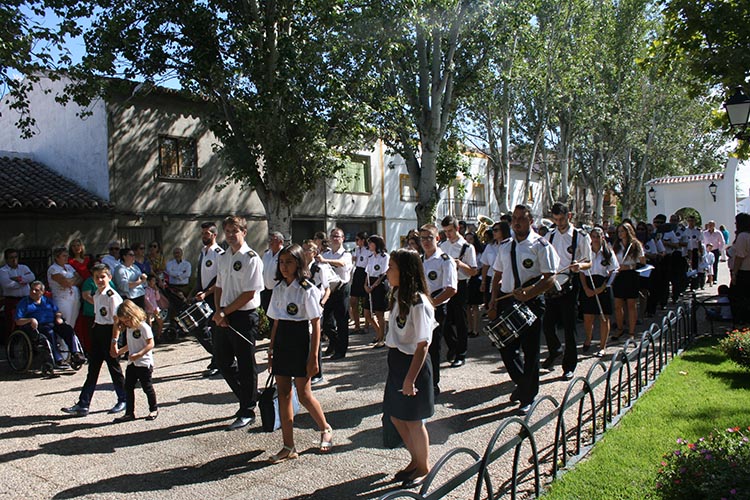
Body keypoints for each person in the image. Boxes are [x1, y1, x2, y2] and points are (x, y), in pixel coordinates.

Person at [266, 244, 333, 463]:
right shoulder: (278, 288)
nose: (284, 267)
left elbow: (315, 324)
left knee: (303, 394)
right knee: (283, 394)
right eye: (281, 262)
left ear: (298, 263)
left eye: (289, 262)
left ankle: (325, 427)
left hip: (302, 340)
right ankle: (288, 445)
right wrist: (271, 348)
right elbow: (276, 321)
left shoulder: (307, 288)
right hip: (283, 340)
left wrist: (314, 357)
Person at [489, 205, 558, 414]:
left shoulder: (540, 245)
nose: (517, 222)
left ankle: (528, 396)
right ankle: (523, 383)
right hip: (508, 300)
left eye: (522, 218)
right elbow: (497, 275)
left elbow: (550, 277)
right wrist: (493, 299)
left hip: (532, 303)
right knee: (505, 347)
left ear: (530, 221)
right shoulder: (505, 246)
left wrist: (530, 293)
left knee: (530, 351)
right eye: (514, 219)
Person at [383, 248, 436, 487]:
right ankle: (415, 459)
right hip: (397, 360)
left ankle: (424, 467)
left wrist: (410, 379)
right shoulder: (397, 296)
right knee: (396, 416)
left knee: (414, 420)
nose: (387, 272)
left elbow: (423, 345)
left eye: (391, 267)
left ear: (404, 271)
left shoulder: (419, 302)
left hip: (413, 364)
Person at [212, 215, 264, 430]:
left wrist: (225, 312)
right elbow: (219, 286)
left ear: (244, 232)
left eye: (235, 231)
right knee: (223, 362)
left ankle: (247, 409)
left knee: (245, 364)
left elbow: (249, 293)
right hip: (223, 314)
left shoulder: (251, 258)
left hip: (243, 316)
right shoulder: (223, 257)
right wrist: (218, 312)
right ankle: (248, 396)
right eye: (228, 231)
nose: (231, 235)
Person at [62, 264, 126, 416]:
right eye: (97, 277)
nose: (100, 280)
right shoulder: (97, 294)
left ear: (109, 277)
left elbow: (117, 321)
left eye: (103, 276)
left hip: (110, 332)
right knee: (92, 370)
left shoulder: (112, 296)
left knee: (114, 368)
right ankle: (83, 404)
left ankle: (124, 399)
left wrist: (114, 342)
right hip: (98, 330)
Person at [542, 202, 592, 380]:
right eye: (556, 220)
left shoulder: (580, 236)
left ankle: (569, 365)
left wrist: (580, 265)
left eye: (562, 219)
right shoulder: (550, 235)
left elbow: (589, 262)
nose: (559, 223)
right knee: (547, 324)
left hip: (570, 284)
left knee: (569, 327)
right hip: (552, 284)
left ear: (569, 216)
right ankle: (555, 350)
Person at [419, 223, 457, 396]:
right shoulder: (419, 260)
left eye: (429, 238)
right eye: (422, 238)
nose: (426, 242)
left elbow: (450, 289)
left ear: (437, 239)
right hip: (419, 309)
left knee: (433, 347)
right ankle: (422, 381)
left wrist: (431, 303)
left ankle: (433, 384)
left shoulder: (445, 260)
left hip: (437, 308)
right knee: (419, 346)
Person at [16, 281, 85, 369]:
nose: (33, 292)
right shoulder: (24, 302)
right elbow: (18, 320)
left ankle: (76, 354)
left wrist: (58, 317)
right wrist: (30, 320)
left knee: (68, 329)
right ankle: (58, 358)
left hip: (52, 323)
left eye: (36, 290)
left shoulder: (47, 301)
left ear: (42, 292)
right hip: (37, 327)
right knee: (49, 332)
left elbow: (57, 311)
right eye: (32, 289)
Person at [439, 215, 478, 368]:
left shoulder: (467, 247)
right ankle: (453, 346)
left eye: (450, 230)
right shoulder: (443, 245)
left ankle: (461, 353)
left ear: (457, 228)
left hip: (460, 284)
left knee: (460, 321)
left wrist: (460, 264)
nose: (447, 234)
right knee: (443, 320)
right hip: (445, 284)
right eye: (445, 231)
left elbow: (473, 272)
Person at [112, 300, 158, 422]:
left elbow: (150, 343)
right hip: (132, 362)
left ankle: (153, 409)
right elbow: (131, 344)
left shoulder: (143, 327)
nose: (126, 323)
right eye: (124, 321)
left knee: (146, 387)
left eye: (127, 320)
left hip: (144, 362)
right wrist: (121, 351)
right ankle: (129, 413)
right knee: (128, 387)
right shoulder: (129, 329)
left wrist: (139, 354)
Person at [191, 221, 225, 377]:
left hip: (214, 297)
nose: (204, 236)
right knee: (199, 328)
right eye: (202, 233)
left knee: (213, 330)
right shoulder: (203, 251)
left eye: (207, 233)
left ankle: (219, 360)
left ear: (214, 235)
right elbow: (201, 275)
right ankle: (219, 357)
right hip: (202, 296)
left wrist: (207, 293)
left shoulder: (218, 253)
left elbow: (220, 278)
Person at [579, 227, 619, 357]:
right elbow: (581, 272)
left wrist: (604, 286)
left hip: (603, 286)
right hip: (589, 285)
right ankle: (588, 339)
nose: (595, 239)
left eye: (598, 236)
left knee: (604, 318)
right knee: (588, 317)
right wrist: (586, 289)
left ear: (603, 238)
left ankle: (602, 346)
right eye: (593, 236)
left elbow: (614, 270)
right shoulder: (586, 252)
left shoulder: (608, 253)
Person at [317, 227, 353, 360]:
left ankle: (341, 350)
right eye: (333, 236)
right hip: (328, 290)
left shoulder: (346, 254)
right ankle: (334, 342)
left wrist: (325, 261)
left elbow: (342, 264)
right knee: (325, 321)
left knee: (342, 321)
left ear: (343, 239)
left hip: (342, 289)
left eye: (337, 236)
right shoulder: (326, 254)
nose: (335, 238)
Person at [302, 239, 332, 385]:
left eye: (307, 249)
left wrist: (322, 303)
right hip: (304, 306)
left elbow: (327, 288)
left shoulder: (319, 268)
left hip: (316, 306)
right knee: (306, 337)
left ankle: (318, 372)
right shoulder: (301, 268)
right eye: (304, 248)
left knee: (316, 337)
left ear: (314, 252)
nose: (304, 251)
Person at [611, 223, 646, 342]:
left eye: (622, 231)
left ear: (628, 231)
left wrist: (629, 267)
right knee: (618, 304)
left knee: (631, 304)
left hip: (631, 276)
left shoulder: (636, 245)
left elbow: (642, 263)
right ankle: (620, 328)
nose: (620, 233)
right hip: (619, 276)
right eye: (619, 231)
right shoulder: (616, 245)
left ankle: (631, 331)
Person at [1, 248, 35, 339]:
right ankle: (11, 342)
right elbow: (7, 284)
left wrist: (18, 279)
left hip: (25, 299)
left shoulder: (23, 267)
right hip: (12, 300)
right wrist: (23, 283)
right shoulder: (3, 271)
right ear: (7, 259)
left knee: (28, 320)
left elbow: (32, 277)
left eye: (16, 257)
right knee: (12, 322)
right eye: (11, 257)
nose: (14, 259)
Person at [47, 247, 82, 330]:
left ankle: (70, 341)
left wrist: (71, 281)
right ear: (57, 257)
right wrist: (73, 280)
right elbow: (65, 283)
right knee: (65, 321)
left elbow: (80, 278)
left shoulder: (69, 267)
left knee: (72, 323)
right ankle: (62, 342)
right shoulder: (53, 269)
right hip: (62, 299)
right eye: (64, 256)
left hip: (74, 298)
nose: (66, 258)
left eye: (67, 256)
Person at [364, 235, 389, 348]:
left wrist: (373, 286)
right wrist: (365, 285)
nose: (369, 245)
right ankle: (379, 332)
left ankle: (382, 338)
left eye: (371, 243)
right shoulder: (370, 257)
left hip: (379, 285)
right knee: (367, 314)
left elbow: (383, 274)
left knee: (379, 313)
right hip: (370, 283)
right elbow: (367, 273)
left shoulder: (385, 257)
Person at [480, 221, 510, 309]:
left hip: (505, 279)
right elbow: (485, 265)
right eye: (493, 230)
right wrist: (483, 282)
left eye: (496, 230)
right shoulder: (490, 246)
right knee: (490, 305)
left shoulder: (510, 245)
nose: (493, 232)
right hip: (491, 278)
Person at [729, 212, 750, 323]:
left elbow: (740, 256)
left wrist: (734, 273)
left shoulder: (743, 236)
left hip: (744, 271)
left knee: (738, 298)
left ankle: (741, 321)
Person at [349, 231, 372, 336]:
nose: (356, 242)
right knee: (353, 300)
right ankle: (357, 326)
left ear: (363, 240)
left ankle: (366, 326)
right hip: (357, 273)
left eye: (358, 239)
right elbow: (353, 260)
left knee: (365, 301)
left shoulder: (369, 250)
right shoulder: (356, 250)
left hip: (365, 273)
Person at [464, 232, 484, 339]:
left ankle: (476, 329)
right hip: (466, 279)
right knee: (467, 306)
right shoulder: (464, 251)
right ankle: (469, 328)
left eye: (471, 239)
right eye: (466, 239)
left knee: (475, 306)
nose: (468, 242)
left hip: (475, 280)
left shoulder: (479, 253)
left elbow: (479, 267)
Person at [261, 232, 285, 322]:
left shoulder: (284, 254)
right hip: (266, 290)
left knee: (277, 316)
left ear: (280, 242)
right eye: (269, 240)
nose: (270, 242)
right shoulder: (267, 254)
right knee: (268, 314)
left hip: (279, 290)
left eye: (273, 240)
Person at [144, 274, 164, 341]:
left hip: (156, 307)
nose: (154, 282)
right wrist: (151, 307)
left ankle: (158, 336)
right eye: (153, 281)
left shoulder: (153, 290)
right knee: (149, 323)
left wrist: (156, 291)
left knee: (160, 321)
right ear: (149, 282)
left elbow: (157, 298)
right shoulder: (146, 290)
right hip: (149, 309)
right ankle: (150, 338)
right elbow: (146, 299)